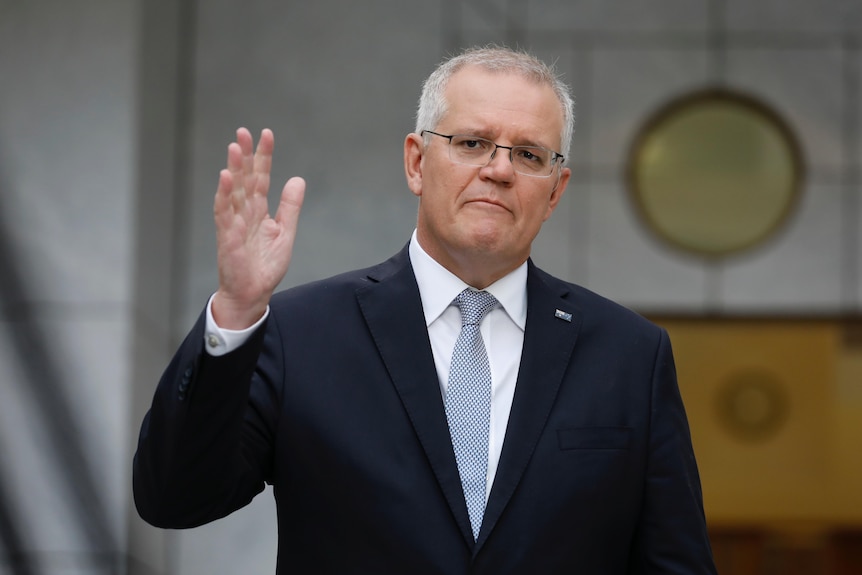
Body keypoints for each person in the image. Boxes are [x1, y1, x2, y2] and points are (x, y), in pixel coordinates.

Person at [133, 46, 717, 574]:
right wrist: (236, 311)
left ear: (556, 190)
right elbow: (175, 498)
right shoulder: (301, 333)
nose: (500, 169)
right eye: (471, 143)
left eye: (530, 154)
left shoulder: (629, 354)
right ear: (416, 162)